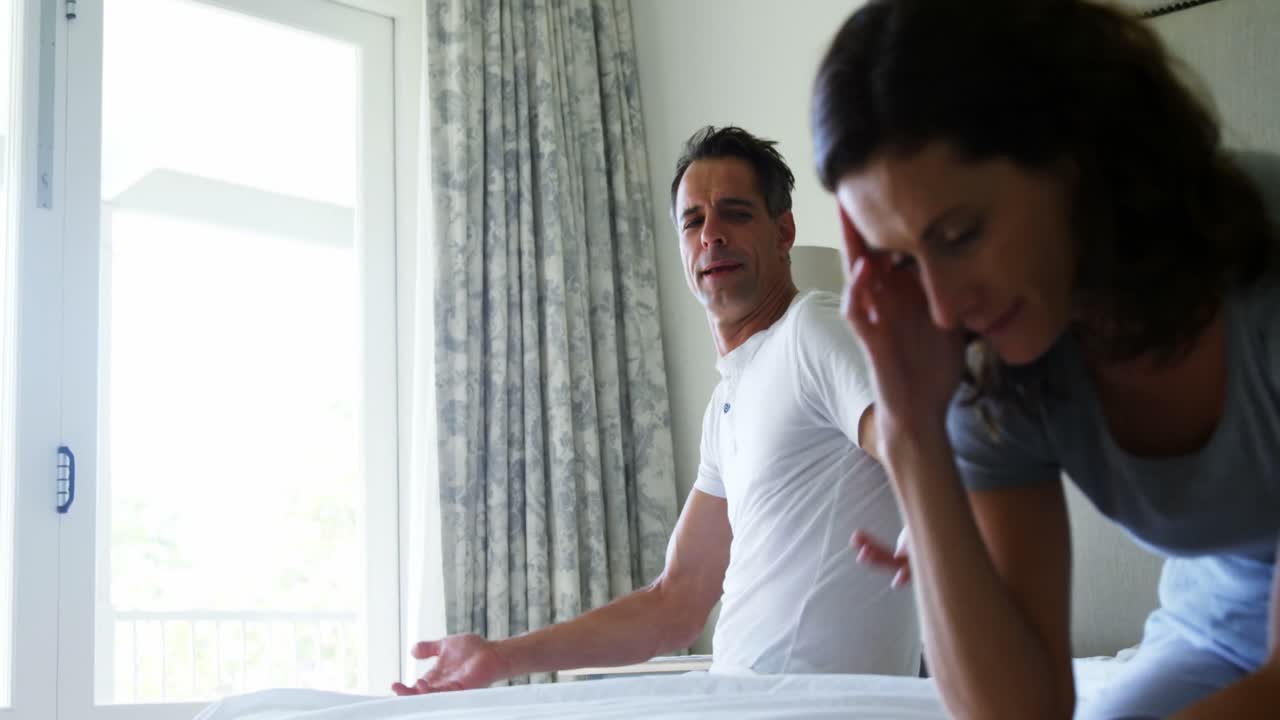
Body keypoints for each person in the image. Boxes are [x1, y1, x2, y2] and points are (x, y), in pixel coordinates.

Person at [810, 0, 1280, 717]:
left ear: (1073, 157)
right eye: (904, 258)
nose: (942, 308)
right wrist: (912, 431)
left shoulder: (1264, 272)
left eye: (961, 233)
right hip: (1218, 622)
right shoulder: (993, 351)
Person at [392, 126, 920, 694]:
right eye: (693, 222)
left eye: (735, 214)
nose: (711, 235)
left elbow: (910, 443)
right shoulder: (726, 405)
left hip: (802, 704)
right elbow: (676, 601)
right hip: (734, 694)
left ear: (783, 230)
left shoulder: (814, 329)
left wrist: (931, 531)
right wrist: (498, 657)